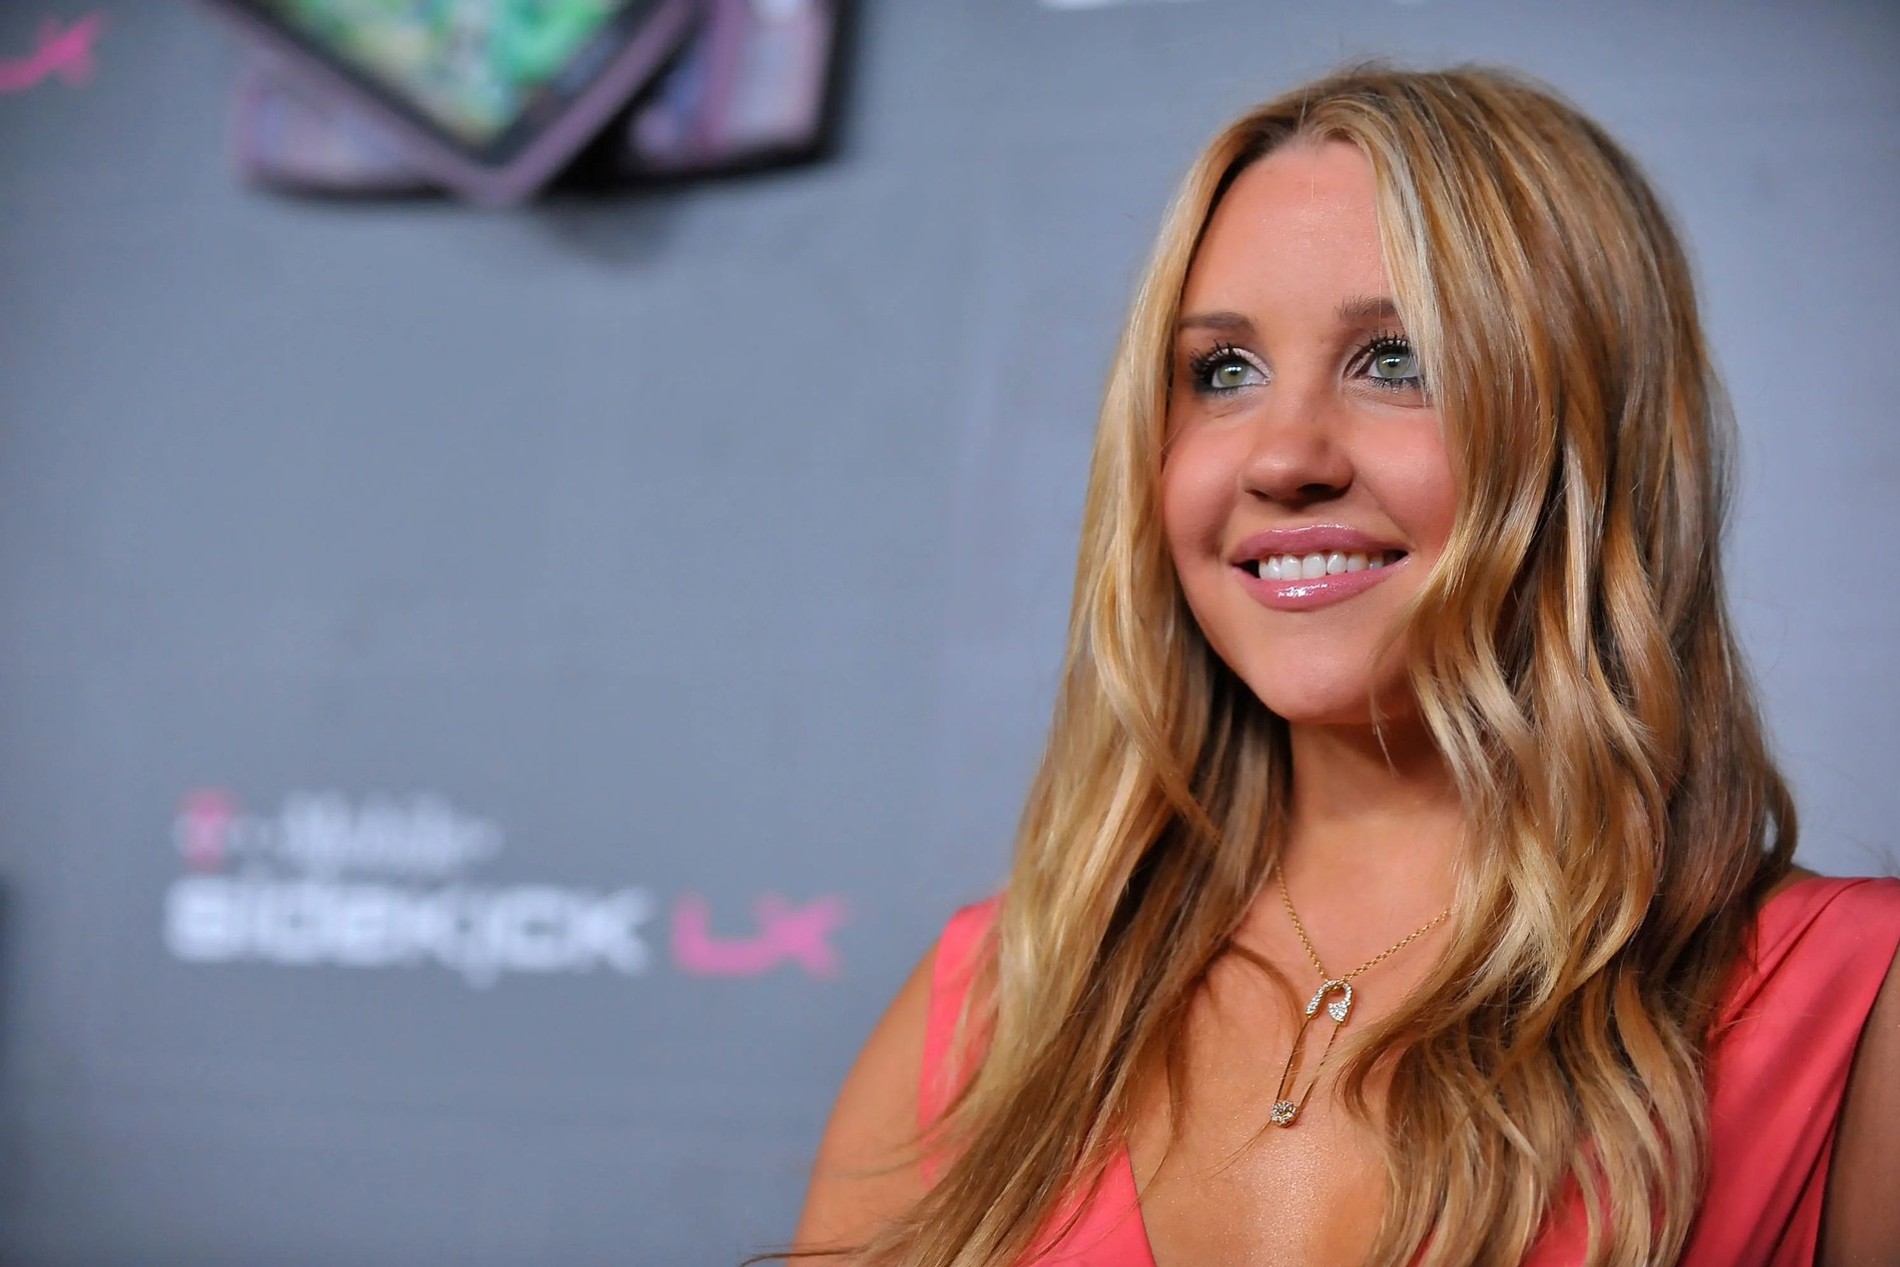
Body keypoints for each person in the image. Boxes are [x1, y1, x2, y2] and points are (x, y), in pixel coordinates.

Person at [789, 65, 1900, 1267]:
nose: (1283, 458)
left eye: (1396, 360)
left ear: (1591, 424)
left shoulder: (1854, 1007)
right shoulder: (988, 1003)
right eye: (1222, 372)